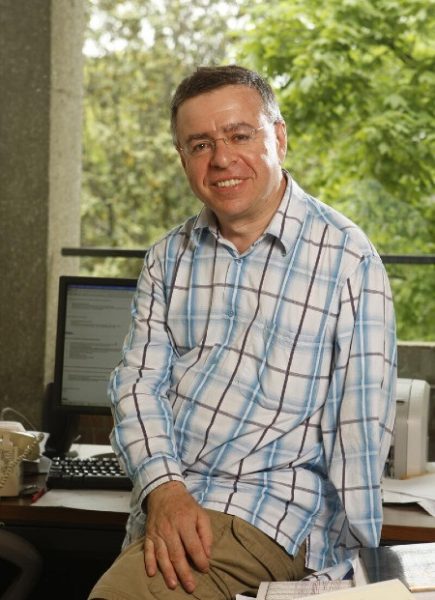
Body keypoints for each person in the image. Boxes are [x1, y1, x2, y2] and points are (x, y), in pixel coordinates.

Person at [89, 65, 397, 600]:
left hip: (264, 515)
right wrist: (162, 488)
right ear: (182, 157)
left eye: (239, 135)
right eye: (200, 143)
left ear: (278, 136)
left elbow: (360, 432)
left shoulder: (349, 259)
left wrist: (352, 569)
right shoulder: (168, 257)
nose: (222, 159)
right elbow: (136, 385)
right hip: (171, 503)